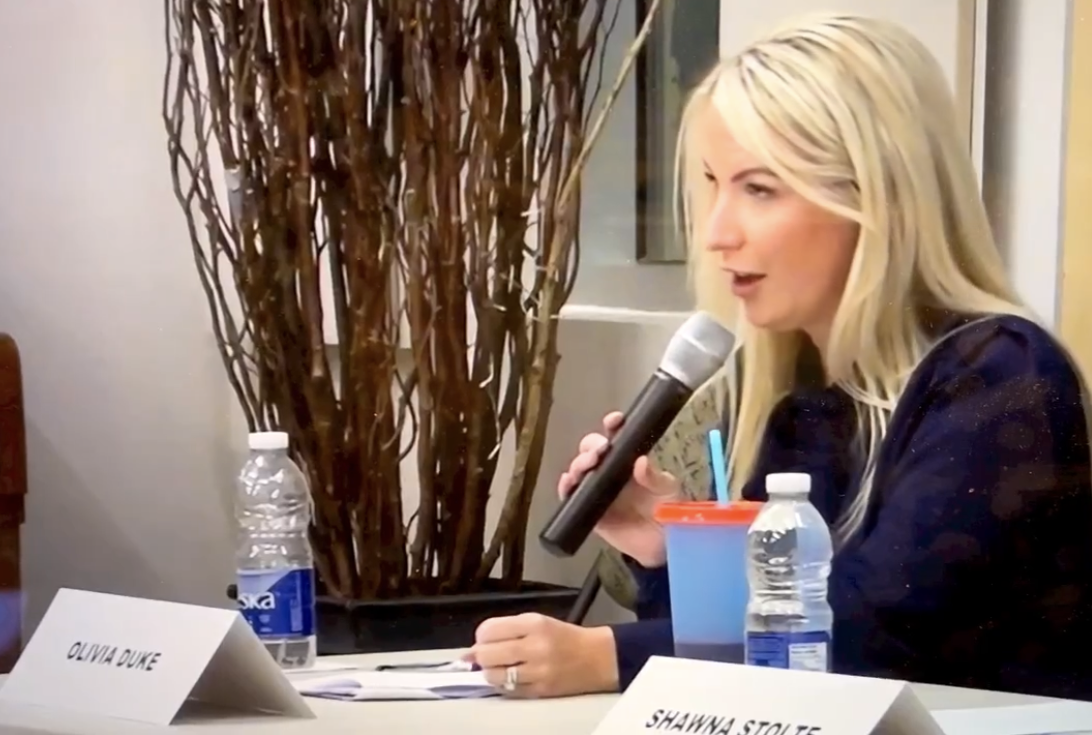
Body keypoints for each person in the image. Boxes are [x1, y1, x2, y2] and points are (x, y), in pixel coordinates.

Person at [466, 12, 1092, 700]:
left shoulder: (1003, 377)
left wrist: (608, 655)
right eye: (713, 185)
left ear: (875, 197)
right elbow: (763, 642)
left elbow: (878, 632)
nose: (716, 233)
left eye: (759, 189)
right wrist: (666, 551)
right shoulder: (805, 402)